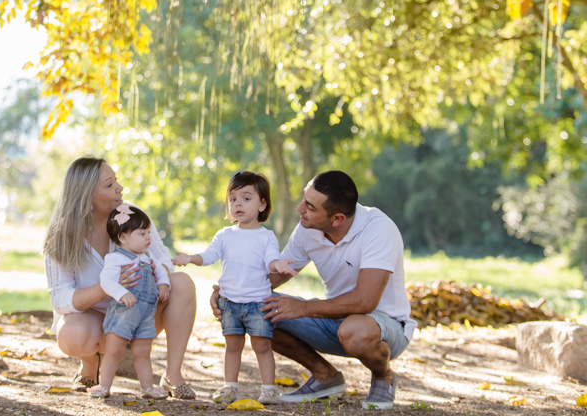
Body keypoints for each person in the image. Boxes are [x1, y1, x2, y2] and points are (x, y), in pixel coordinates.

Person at [215, 170, 416, 410]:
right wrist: (228, 295)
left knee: (355, 329)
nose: (300, 209)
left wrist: (303, 307)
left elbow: (365, 301)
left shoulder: (379, 229)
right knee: (262, 309)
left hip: (385, 326)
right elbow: (271, 278)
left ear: (337, 219)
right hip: (334, 322)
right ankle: (325, 376)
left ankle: (384, 377)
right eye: (304, 199)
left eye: (310, 207)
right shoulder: (307, 229)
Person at [43, 157, 198, 399]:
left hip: (138, 312)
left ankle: (172, 375)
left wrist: (154, 279)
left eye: (116, 181)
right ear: (86, 196)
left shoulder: (132, 216)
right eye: (109, 185)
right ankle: (89, 363)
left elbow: (164, 260)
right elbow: (61, 298)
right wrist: (109, 288)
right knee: (73, 334)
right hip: (94, 321)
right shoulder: (61, 235)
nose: (119, 188)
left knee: (182, 284)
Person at [173, 171, 297, 405]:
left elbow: (270, 259)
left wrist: (277, 264)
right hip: (229, 303)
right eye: (233, 199)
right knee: (232, 347)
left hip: (258, 303)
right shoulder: (225, 235)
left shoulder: (266, 237)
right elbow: (209, 256)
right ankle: (230, 387)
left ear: (262, 204)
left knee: (262, 346)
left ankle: (269, 389)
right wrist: (191, 258)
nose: (238, 203)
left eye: (246, 198)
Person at [89, 203, 169, 398]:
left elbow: (160, 271)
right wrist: (120, 293)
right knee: (113, 351)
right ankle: (104, 386)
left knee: (143, 352)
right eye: (142, 234)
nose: (148, 238)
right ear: (123, 237)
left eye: (148, 233)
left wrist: (164, 285)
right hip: (123, 313)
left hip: (145, 314)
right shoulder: (116, 258)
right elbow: (106, 280)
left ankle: (148, 388)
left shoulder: (148, 257)